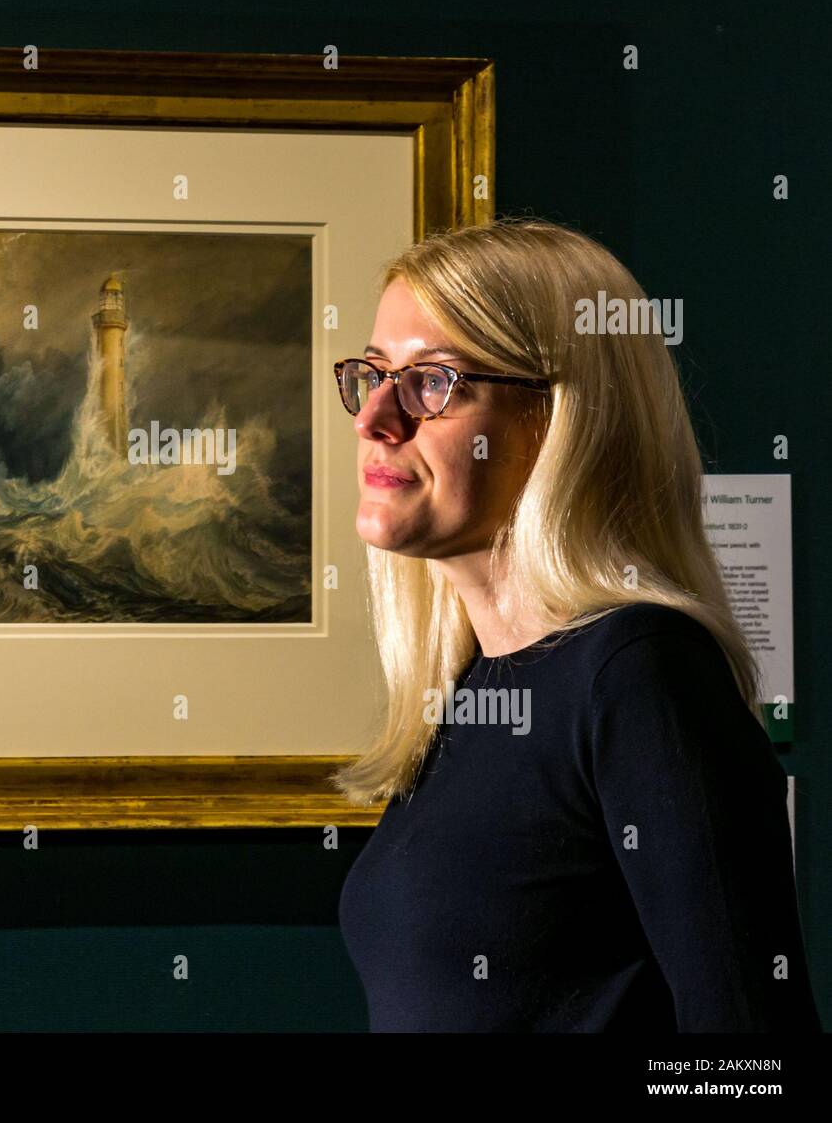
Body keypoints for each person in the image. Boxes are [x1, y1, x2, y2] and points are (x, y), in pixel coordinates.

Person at [334, 216, 821, 1033]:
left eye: (434, 381)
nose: (375, 417)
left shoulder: (640, 674)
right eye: (374, 373)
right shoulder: (470, 681)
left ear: (557, 421)